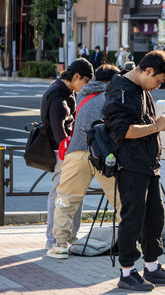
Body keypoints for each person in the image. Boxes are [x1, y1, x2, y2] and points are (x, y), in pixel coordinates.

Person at [103, 50, 165, 291]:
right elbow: (122, 131)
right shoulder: (122, 90)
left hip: (147, 163)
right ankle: (127, 271)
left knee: (154, 216)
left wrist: (157, 125)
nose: (158, 86)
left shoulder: (141, 89)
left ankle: (152, 266)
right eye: (158, 81)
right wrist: (157, 126)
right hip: (131, 163)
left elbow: (144, 124)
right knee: (133, 218)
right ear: (148, 71)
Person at [47, 64, 122, 259]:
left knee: (66, 198)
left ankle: (61, 244)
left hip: (76, 152)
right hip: (104, 155)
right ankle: (130, 242)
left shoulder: (82, 95)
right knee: (121, 198)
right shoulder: (113, 97)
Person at [40, 58, 94, 250]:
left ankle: (67, 236)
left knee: (69, 194)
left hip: (63, 150)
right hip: (61, 152)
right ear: (76, 76)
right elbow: (59, 130)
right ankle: (54, 239)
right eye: (85, 82)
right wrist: (68, 153)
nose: (85, 86)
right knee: (61, 195)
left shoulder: (63, 90)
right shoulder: (58, 96)